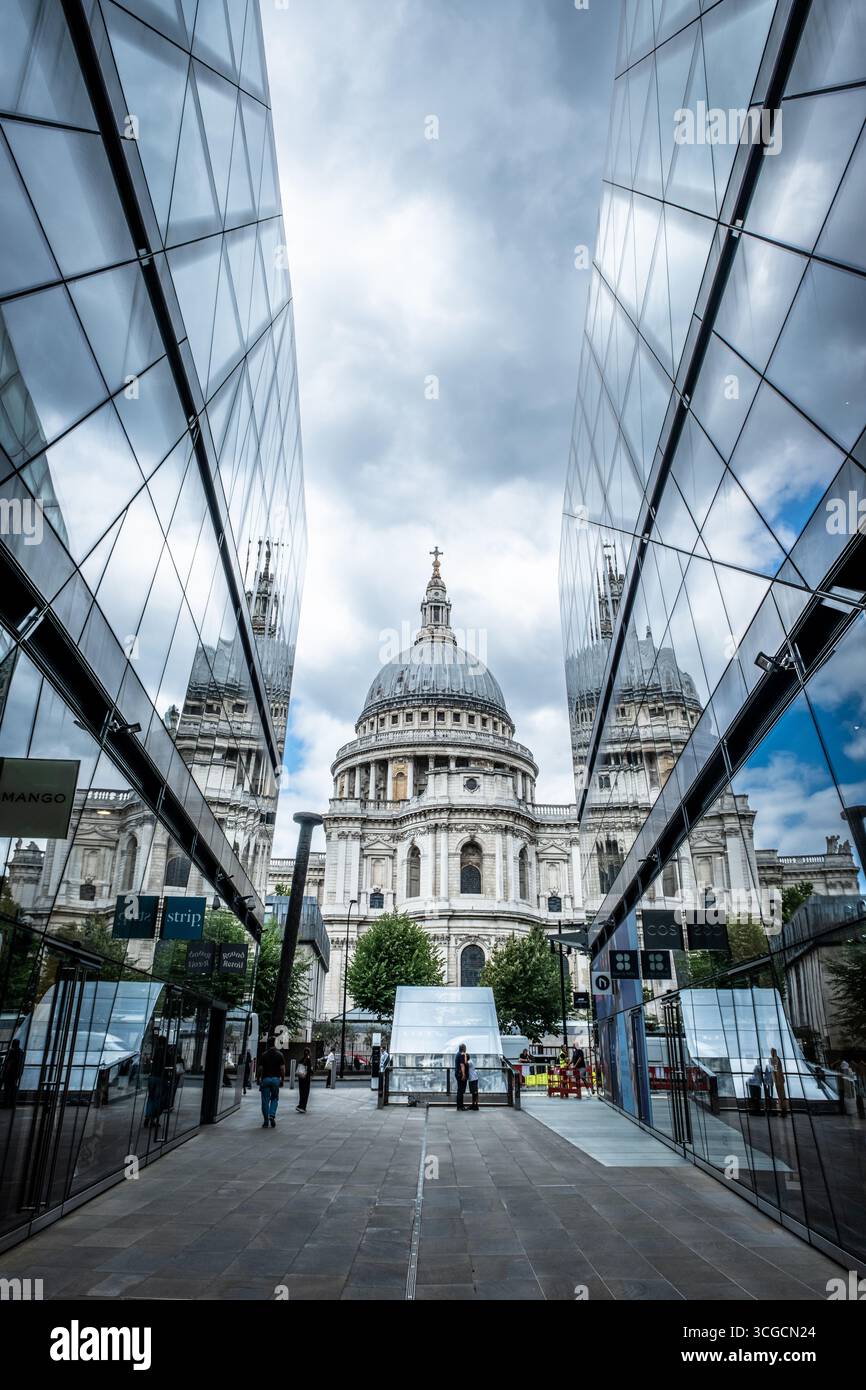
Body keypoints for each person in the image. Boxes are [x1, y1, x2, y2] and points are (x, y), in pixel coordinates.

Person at [258, 1036, 285, 1128]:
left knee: (265, 1101)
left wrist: (258, 1079)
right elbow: (282, 1069)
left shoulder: (264, 1055)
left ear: (268, 1044)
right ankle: (272, 1114)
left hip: (265, 1079)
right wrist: (282, 1080)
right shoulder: (280, 1055)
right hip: (275, 1080)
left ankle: (266, 1121)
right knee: (274, 1098)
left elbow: (260, 1069)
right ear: (275, 1043)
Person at [1, 1039, 24, 1109]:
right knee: (13, 1088)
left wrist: (4, 1072)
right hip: (17, 1073)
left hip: (10, 1073)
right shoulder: (21, 1052)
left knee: (7, 1089)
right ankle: (12, 1104)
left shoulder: (12, 1051)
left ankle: (6, 1104)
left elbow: (9, 1063)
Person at [770, 1047, 789, 1117]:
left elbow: (775, 1069)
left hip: (778, 1080)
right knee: (782, 1095)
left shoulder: (774, 1059)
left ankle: (783, 1110)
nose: (771, 1053)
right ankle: (783, 1110)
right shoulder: (777, 1058)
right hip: (779, 1079)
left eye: (772, 1052)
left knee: (780, 1095)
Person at [296, 1047, 312, 1113]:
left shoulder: (301, 1059)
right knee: (306, 1093)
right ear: (309, 1053)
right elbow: (309, 1070)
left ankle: (300, 1105)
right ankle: (303, 1107)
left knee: (301, 1092)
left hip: (301, 1078)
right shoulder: (308, 1060)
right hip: (306, 1079)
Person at [454, 1043, 468, 1111]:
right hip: (460, 1075)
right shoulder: (461, 1055)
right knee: (461, 1091)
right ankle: (460, 1106)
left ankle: (459, 1106)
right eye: (465, 1048)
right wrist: (464, 1074)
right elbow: (462, 1065)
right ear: (464, 1048)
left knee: (459, 1090)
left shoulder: (458, 1054)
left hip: (457, 1074)